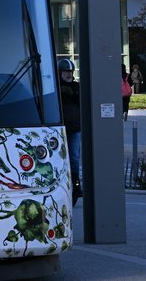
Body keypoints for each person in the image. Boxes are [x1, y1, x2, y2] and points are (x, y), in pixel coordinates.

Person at [57, 58, 81, 203]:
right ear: (60, 73)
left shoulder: (77, 87)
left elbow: (81, 100)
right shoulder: (56, 87)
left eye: (70, 72)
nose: (68, 74)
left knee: (74, 158)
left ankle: (76, 185)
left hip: (75, 127)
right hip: (61, 128)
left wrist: (72, 93)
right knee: (60, 158)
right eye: (65, 72)